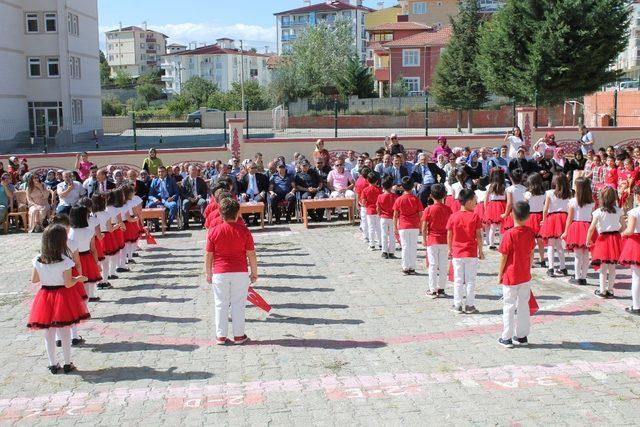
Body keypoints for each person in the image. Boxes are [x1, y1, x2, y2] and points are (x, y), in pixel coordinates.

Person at [27, 224, 88, 374]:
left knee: (49, 333)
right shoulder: (65, 261)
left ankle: (52, 364)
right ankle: (68, 363)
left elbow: (34, 280)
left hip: (45, 296)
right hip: (62, 296)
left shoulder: (38, 260)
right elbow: (68, 283)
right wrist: (78, 279)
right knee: (65, 331)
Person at [204, 198, 257, 345]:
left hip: (220, 272)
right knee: (238, 304)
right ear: (237, 213)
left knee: (220, 304)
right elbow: (251, 253)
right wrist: (254, 272)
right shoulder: (244, 231)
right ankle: (239, 335)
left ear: (220, 213)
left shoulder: (214, 231)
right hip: (240, 271)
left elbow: (209, 255)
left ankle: (220, 336)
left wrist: (208, 273)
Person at [497, 201, 537, 348]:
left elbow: (504, 256)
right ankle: (522, 335)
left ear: (512, 214)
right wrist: (528, 268)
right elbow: (531, 253)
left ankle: (506, 337)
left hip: (510, 275)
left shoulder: (509, 234)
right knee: (523, 305)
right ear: (528, 216)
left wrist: (500, 273)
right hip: (524, 274)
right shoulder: (530, 232)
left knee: (508, 305)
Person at [446, 188, 484, 314]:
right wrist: (481, 250)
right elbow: (478, 235)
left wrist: (450, 249)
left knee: (458, 280)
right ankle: (470, 305)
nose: (476, 202)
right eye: (474, 200)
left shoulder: (453, 216)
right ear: (468, 202)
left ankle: (457, 305)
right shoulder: (474, 216)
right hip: (471, 253)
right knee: (470, 280)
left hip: (457, 253)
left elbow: (449, 235)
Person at [587, 186, 623, 299]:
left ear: (601, 198)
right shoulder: (619, 211)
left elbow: (591, 228)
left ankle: (602, 290)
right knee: (612, 267)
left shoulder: (598, 212)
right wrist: (617, 232)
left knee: (603, 267)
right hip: (614, 238)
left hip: (603, 239)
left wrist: (588, 239)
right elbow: (624, 226)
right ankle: (610, 290)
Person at [561, 177, 594, 286]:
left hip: (576, 227)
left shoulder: (573, 201)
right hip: (588, 227)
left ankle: (577, 277)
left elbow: (569, 219)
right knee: (585, 254)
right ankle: (583, 277)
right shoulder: (592, 202)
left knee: (578, 254)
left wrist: (565, 232)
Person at [422, 184, 452, 299]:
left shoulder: (428, 209)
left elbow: (424, 226)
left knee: (433, 265)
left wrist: (424, 239)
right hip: (444, 240)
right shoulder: (448, 209)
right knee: (444, 265)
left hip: (432, 240)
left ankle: (432, 288)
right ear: (444, 195)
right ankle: (442, 288)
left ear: (430, 196)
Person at [540, 173, 571, 277]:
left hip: (552, 218)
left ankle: (551, 268)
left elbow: (545, 209)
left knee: (550, 245)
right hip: (563, 218)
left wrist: (544, 221)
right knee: (559, 245)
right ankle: (563, 267)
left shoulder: (549, 193)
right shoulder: (568, 193)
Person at [68, 205, 102, 302]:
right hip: (87, 258)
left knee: (76, 283)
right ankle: (87, 303)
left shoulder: (69, 232)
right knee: (88, 282)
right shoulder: (89, 232)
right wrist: (97, 263)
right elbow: (93, 249)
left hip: (73, 259)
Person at [393, 177, 422, 275]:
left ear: (402, 187)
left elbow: (395, 215)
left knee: (405, 247)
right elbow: (420, 214)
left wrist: (395, 227)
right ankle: (412, 267)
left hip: (403, 226)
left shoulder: (399, 199)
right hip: (414, 225)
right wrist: (421, 226)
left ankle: (405, 267)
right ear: (412, 186)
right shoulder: (416, 199)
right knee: (413, 247)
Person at [620, 185, 640, 314]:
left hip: (637, 243)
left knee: (636, 276)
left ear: (638, 197)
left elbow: (630, 230)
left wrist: (622, 233)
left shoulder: (635, 212)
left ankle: (636, 306)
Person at [524, 173, 547, 267]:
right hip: (540, 216)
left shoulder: (527, 194)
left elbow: (525, 206)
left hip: (530, 217)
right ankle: (542, 259)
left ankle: (530, 260)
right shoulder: (544, 193)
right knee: (540, 240)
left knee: (530, 241)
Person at [484, 168, 507, 249]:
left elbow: (486, 199)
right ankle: (501, 244)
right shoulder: (505, 185)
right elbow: (507, 198)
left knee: (492, 227)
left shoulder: (489, 186)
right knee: (502, 227)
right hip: (502, 205)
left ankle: (491, 244)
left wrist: (486, 209)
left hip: (492, 206)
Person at [181, 165, 208, 230]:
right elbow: (182, 192)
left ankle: (204, 223)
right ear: (188, 171)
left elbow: (204, 191)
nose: (195, 171)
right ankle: (186, 224)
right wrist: (189, 198)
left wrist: (199, 197)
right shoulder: (185, 180)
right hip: (189, 198)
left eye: (196, 170)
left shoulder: (201, 180)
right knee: (185, 203)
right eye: (193, 170)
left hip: (198, 198)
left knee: (203, 202)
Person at [377, 176, 398, 259]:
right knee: (392, 235)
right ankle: (392, 252)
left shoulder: (380, 196)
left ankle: (384, 251)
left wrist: (379, 214)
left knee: (384, 234)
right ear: (391, 185)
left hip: (383, 217)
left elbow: (378, 208)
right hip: (392, 217)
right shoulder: (395, 196)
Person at [360, 172, 382, 251]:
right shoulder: (379, 190)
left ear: (368, 181)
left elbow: (363, 202)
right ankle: (380, 244)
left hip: (369, 211)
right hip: (378, 210)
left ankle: (372, 244)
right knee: (379, 228)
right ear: (376, 181)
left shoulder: (365, 190)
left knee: (371, 228)